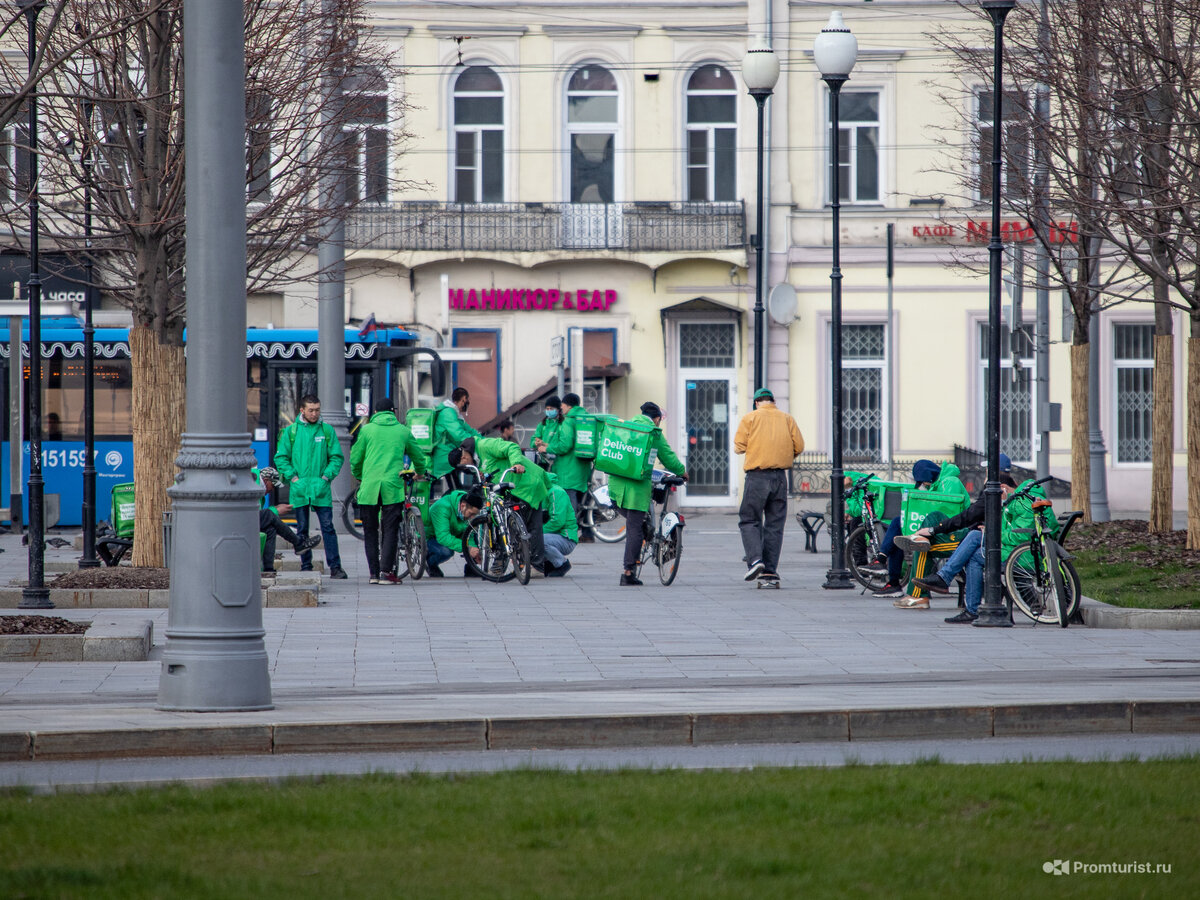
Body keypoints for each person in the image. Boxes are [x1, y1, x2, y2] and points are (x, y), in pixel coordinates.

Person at [910, 474, 1018, 622]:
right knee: (973, 552)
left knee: (973, 538)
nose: (985, 495)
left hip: (1014, 555)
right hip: (1003, 548)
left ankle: (943, 579)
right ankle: (971, 609)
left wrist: (992, 531)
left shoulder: (1019, 503)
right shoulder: (1009, 501)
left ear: (1002, 489)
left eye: (988, 491)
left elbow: (1020, 535)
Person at [349, 396, 429, 584]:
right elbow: (418, 456)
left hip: (369, 488)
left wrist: (361, 475)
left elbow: (355, 458)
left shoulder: (367, 430)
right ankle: (386, 572)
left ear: (375, 413)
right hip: (393, 487)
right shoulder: (403, 431)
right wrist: (419, 472)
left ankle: (373, 575)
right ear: (393, 412)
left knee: (370, 531)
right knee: (390, 529)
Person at [607, 402, 688, 586]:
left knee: (637, 525)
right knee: (635, 528)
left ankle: (641, 546)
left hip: (616, 488)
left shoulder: (625, 427)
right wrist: (683, 472)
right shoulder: (653, 432)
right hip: (635, 490)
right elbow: (667, 457)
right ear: (657, 418)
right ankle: (628, 573)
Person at [448, 435, 551, 573]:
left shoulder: (485, 445)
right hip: (511, 488)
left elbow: (511, 447)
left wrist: (516, 463)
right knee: (504, 523)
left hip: (528, 483)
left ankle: (536, 567)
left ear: (464, 455)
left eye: (464, 459)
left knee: (531, 526)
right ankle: (501, 565)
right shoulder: (476, 463)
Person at [734, 387, 805, 586]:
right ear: (773, 402)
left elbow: (738, 446)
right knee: (774, 525)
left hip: (757, 477)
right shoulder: (787, 419)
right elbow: (799, 446)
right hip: (780, 478)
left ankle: (755, 560)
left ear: (757, 402)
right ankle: (770, 572)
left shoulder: (750, 418)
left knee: (749, 520)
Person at [871, 459, 969, 600]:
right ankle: (891, 578)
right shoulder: (938, 484)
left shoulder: (949, 482)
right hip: (939, 528)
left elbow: (947, 511)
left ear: (929, 476)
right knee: (900, 529)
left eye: (924, 481)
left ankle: (908, 589)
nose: (924, 484)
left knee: (914, 539)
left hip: (952, 532)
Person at [273, 394, 347, 579]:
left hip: (320, 488)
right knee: (302, 528)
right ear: (302, 410)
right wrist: (293, 477)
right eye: (311, 410)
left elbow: (337, 457)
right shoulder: (292, 431)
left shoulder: (327, 431)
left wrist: (326, 477)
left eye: (317, 410)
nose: (315, 414)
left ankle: (335, 567)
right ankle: (306, 565)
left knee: (328, 527)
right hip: (300, 488)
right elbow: (281, 457)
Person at [545, 392, 594, 542]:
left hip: (568, 468)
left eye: (562, 405)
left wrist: (548, 448)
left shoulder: (568, 421)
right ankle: (588, 533)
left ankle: (570, 533)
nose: (561, 408)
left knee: (569, 499)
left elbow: (565, 445)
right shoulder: (584, 418)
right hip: (583, 466)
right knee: (583, 500)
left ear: (568, 405)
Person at [254, 466, 321, 575]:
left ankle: (268, 569)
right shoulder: (253, 482)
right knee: (269, 514)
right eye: (273, 486)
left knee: (270, 529)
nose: (272, 490)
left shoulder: (259, 490)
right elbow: (253, 515)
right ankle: (298, 543)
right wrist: (275, 510)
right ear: (266, 481)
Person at [424, 485, 485, 578]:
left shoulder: (467, 503)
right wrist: (468, 548)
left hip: (454, 531)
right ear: (463, 505)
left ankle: (471, 567)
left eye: (474, 515)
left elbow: (470, 536)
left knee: (474, 534)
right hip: (432, 537)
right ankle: (430, 563)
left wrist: (474, 551)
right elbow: (443, 537)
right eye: (471, 513)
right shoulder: (442, 507)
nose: (472, 517)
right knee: (446, 552)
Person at [432, 387, 481, 494]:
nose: (467, 404)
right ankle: (455, 504)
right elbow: (458, 434)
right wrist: (474, 442)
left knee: (456, 487)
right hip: (443, 455)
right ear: (463, 399)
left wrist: (483, 440)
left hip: (448, 453)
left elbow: (469, 431)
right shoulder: (448, 413)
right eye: (466, 401)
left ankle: (454, 502)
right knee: (456, 489)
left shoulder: (454, 413)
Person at [542, 473, 577, 577]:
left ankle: (562, 564)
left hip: (566, 538)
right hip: (554, 536)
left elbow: (557, 521)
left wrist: (538, 532)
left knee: (537, 540)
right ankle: (548, 564)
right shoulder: (542, 492)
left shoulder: (556, 492)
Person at [531, 396, 561, 470]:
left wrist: (546, 446)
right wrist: (536, 442)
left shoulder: (563, 424)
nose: (549, 411)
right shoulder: (542, 424)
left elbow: (563, 446)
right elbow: (533, 440)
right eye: (547, 409)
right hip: (544, 462)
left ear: (558, 409)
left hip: (559, 463)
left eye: (551, 409)